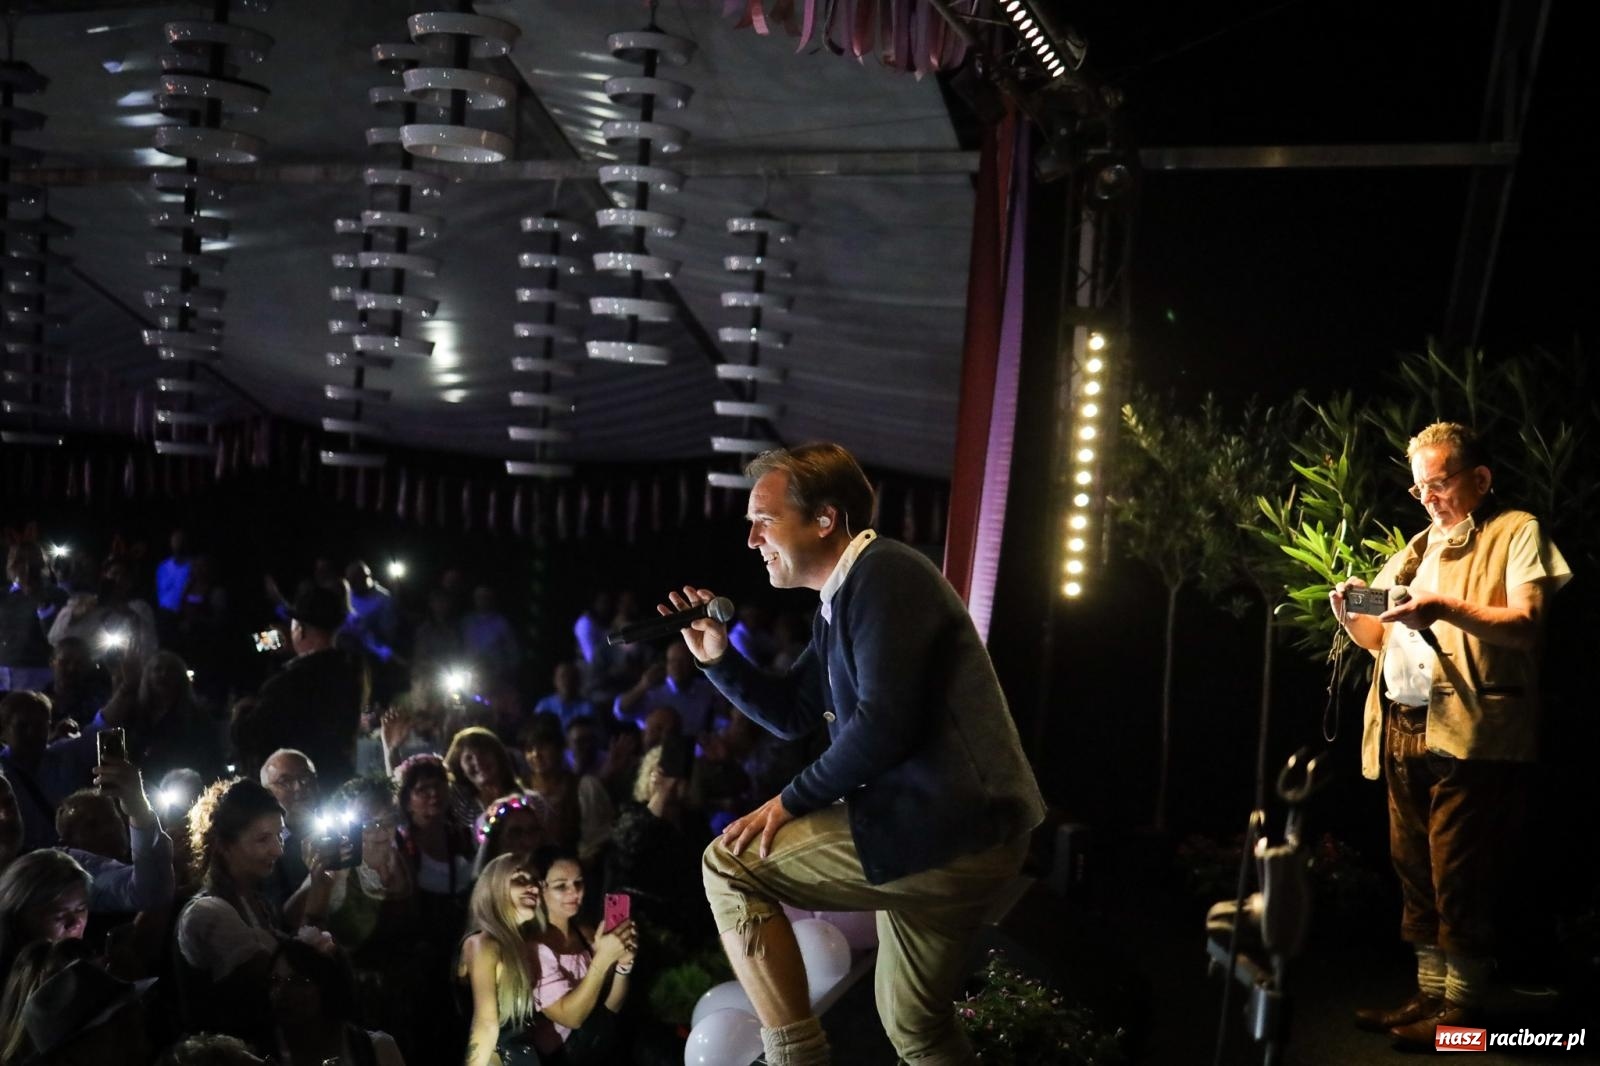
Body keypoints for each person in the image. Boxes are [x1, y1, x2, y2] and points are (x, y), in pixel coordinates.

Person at [667, 443, 1045, 1066]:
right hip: (947, 837)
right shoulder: (843, 600)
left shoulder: (886, 574)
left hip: (946, 831)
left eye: (766, 519)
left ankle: (795, 1057)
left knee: (728, 865)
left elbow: (882, 728)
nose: (753, 539)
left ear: (825, 519)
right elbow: (792, 714)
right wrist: (718, 658)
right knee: (916, 1030)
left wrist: (787, 804)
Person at [1331, 422, 1571, 1048]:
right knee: (1413, 867)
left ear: (1480, 478)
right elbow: (1382, 640)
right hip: (1404, 726)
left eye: (1439, 483)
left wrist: (1439, 606)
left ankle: (1463, 1012)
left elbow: (1525, 625)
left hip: (1472, 729)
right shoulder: (1416, 547)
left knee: (1458, 871)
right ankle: (1430, 995)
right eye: (1419, 488)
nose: (1429, 497)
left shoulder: (1515, 531)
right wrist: (1351, 615)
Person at [174, 778, 293, 1046]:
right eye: (263, 839)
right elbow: (281, 985)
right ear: (223, 845)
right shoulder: (207, 913)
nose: (278, 850)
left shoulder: (257, 901)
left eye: (280, 836)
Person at [236, 585, 368, 783]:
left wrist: (240, 713)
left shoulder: (287, 682)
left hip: (294, 788)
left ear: (300, 629)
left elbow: (251, 737)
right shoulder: (352, 672)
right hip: (338, 780)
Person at [533, 849, 637, 1064]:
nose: (574, 892)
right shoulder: (534, 948)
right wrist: (602, 960)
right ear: (540, 889)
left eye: (578, 883)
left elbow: (610, 1008)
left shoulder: (586, 934)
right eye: (561, 886)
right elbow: (571, 1017)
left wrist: (623, 964)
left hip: (597, 1050)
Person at [459, 853, 547, 1066]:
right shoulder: (482, 943)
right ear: (493, 888)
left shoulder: (517, 947)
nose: (533, 887)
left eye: (535, 881)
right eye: (519, 879)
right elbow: (486, 1024)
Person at [266, 938, 406, 1066]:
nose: (281, 992)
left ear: (330, 986)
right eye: (275, 980)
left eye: (299, 981)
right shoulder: (263, 1051)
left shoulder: (375, 1049)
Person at [613, 643, 726, 736]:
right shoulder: (653, 690)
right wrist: (642, 686)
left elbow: (721, 713)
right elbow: (620, 711)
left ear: (693, 663)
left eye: (682, 661)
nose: (677, 666)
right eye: (672, 661)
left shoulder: (705, 688)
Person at [259, 750, 319, 911]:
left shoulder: (339, 829)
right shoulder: (268, 849)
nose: (298, 787)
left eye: (305, 778)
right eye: (284, 782)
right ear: (268, 793)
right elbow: (279, 917)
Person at [445, 727, 525, 834]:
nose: (477, 761)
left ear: (498, 756)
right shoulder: (461, 807)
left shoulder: (529, 800)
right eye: (469, 758)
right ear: (461, 768)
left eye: (483, 753)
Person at [533, 662, 595, 731]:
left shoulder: (587, 707)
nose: (566, 680)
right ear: (555, 681)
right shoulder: (544, 706)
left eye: (571, 677)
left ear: (578, 681)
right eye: (562, 676)